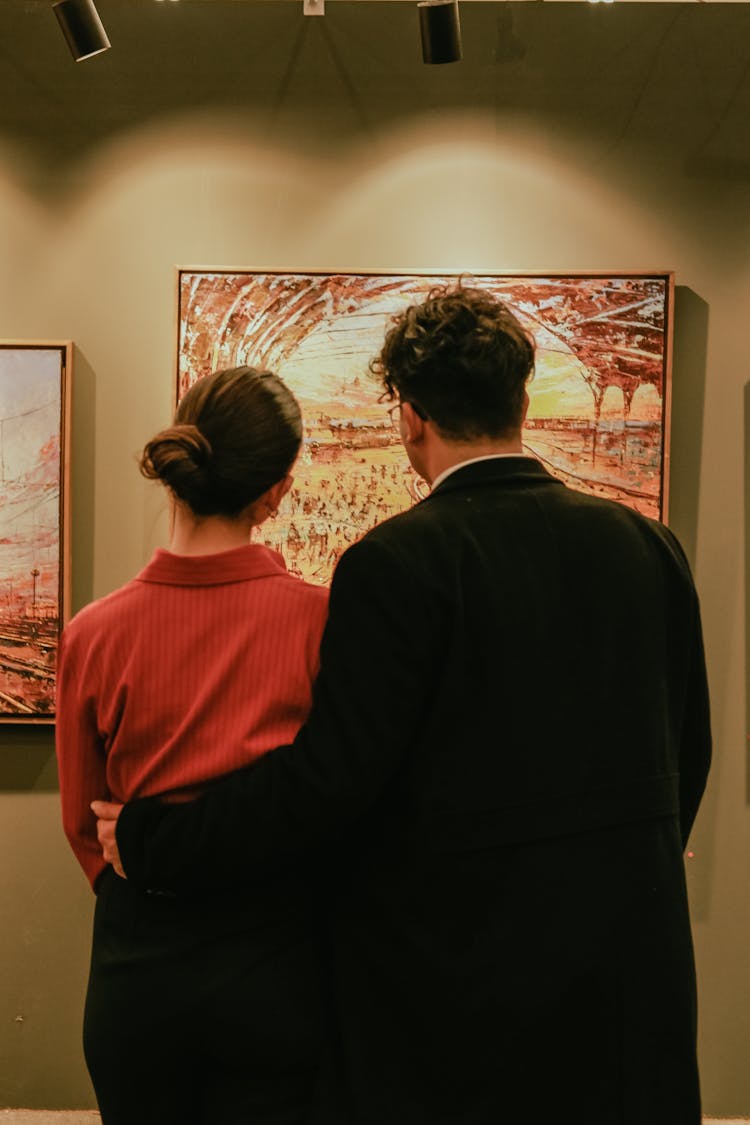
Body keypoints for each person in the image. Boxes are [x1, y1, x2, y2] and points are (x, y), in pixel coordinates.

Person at [98, 285, 711, 1124]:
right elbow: (688, 755)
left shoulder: (397, 564)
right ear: (520, 399)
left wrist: (152, 837)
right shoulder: (650, 548)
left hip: (460, 992)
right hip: (630, 978)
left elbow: (326, 785)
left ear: (410, 416)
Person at [56, 366, 329, 1125]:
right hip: (277, 952)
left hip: (139, 956)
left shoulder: (92, 633)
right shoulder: (323, 623)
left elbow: (84, 825)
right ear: (275, 490)